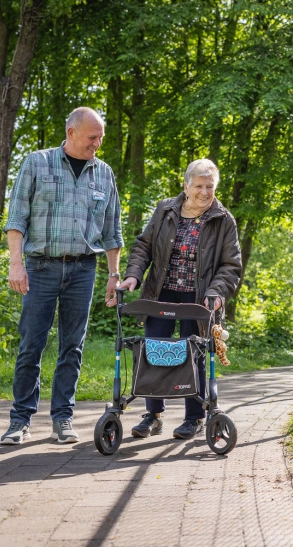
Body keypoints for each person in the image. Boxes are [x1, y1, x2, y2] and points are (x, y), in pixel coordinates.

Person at [1, 107, 124, 445]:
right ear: (71, 133)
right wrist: (16, 264)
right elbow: (16, 219)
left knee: (73, 346)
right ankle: (20, 420)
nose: (97, 144)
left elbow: (113, 231)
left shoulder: (104, 174)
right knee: (32, 345)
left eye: (100, 138)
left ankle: (63, 419)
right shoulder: (36, 163)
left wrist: (113, 275)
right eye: (91, 137)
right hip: (40, 267)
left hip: (84, 269)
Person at [115, 158, 241, 439]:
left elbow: (230, 266)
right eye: (199, 185)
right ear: (185, 186)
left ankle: (194, 417)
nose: (205, 192)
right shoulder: (165, 209)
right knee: (153, 351)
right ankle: (152, 414)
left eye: (210, 186)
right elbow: (144, 246)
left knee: (193, 355)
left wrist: (217, 293)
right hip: (162, 291)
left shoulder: (223, 220)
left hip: (199, 297)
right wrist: (134, 276)